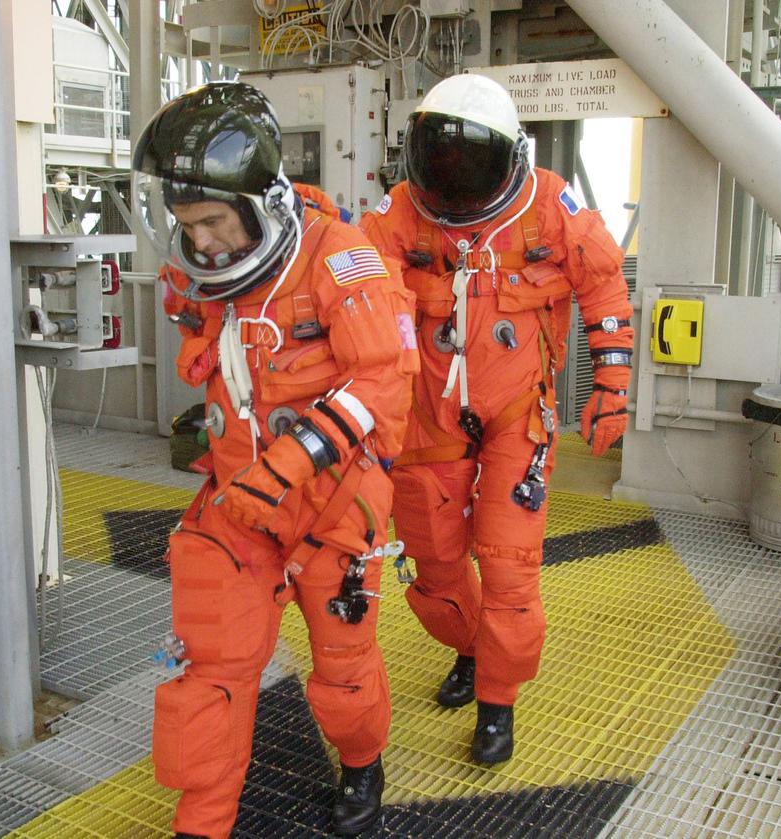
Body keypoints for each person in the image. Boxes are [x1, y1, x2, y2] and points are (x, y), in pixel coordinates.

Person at [132, 81, 418, 838]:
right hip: (238, 502)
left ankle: (362, 761)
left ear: (259, 203)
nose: (202, 242)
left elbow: (382, 380)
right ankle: (202, 822)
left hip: (332, 503)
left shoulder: (340, 258)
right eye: (188, 225)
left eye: (214, 221)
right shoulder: (202, 274)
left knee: (343, 667)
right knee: (207, 669)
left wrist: (291, 462)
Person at [360, 73, 634, 765]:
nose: (454, 185)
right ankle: (474, 649)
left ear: (512, 158)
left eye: (471, 167)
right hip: (428, 420)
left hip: (518, 416)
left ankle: (497, 701)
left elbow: (604, 283)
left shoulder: (549, 207)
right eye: (440, 164)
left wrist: (612, 386)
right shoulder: (397, 215)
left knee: (509, 568)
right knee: (434, 568)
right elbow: (354, 297)